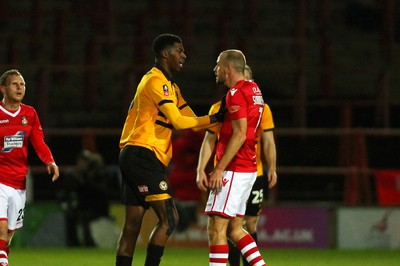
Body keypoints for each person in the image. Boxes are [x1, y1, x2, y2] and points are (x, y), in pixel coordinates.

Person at [115, 33, 224, 266]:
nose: (184, 55)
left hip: (137, 154)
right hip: (142, 153)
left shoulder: (172, 87)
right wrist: (215, 117)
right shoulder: (156, 82)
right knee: (170, 218)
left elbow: (193, 120)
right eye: (179, 50)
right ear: (166, 54)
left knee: (133, 225)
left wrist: (223, 121)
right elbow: (178, 122)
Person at [197, 65, 277, 266]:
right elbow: (210, 139)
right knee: (235, 229)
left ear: (228, 69)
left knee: (217, 228)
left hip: (233, 169)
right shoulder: (255, 92)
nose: (214, 69)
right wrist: (201, 168)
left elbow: (241, 134)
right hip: (247, 169)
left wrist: (218, 168)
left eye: (218, 65)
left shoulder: (236, 94)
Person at [0, 69, 59, 266]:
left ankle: (2, 255)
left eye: (22, 84)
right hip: (0, 178)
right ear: (3, 88)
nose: (19, 88)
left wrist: (50, 161)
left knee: (9, 234)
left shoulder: (29, 113)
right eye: (15, 84)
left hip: (19, 181)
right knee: (1, 224)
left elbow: (38, 141)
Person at [58, 149, 109, 247]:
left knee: (84, 217)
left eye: (84, 161)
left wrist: (83, 182)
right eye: (80, 161)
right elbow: (67, 191)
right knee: (70, 215)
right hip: (83, 207)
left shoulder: (96, 174)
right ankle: (73, 244)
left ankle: (89, 244)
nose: (82, 164)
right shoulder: (77, 175)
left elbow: (101, 192)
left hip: (97, 208)